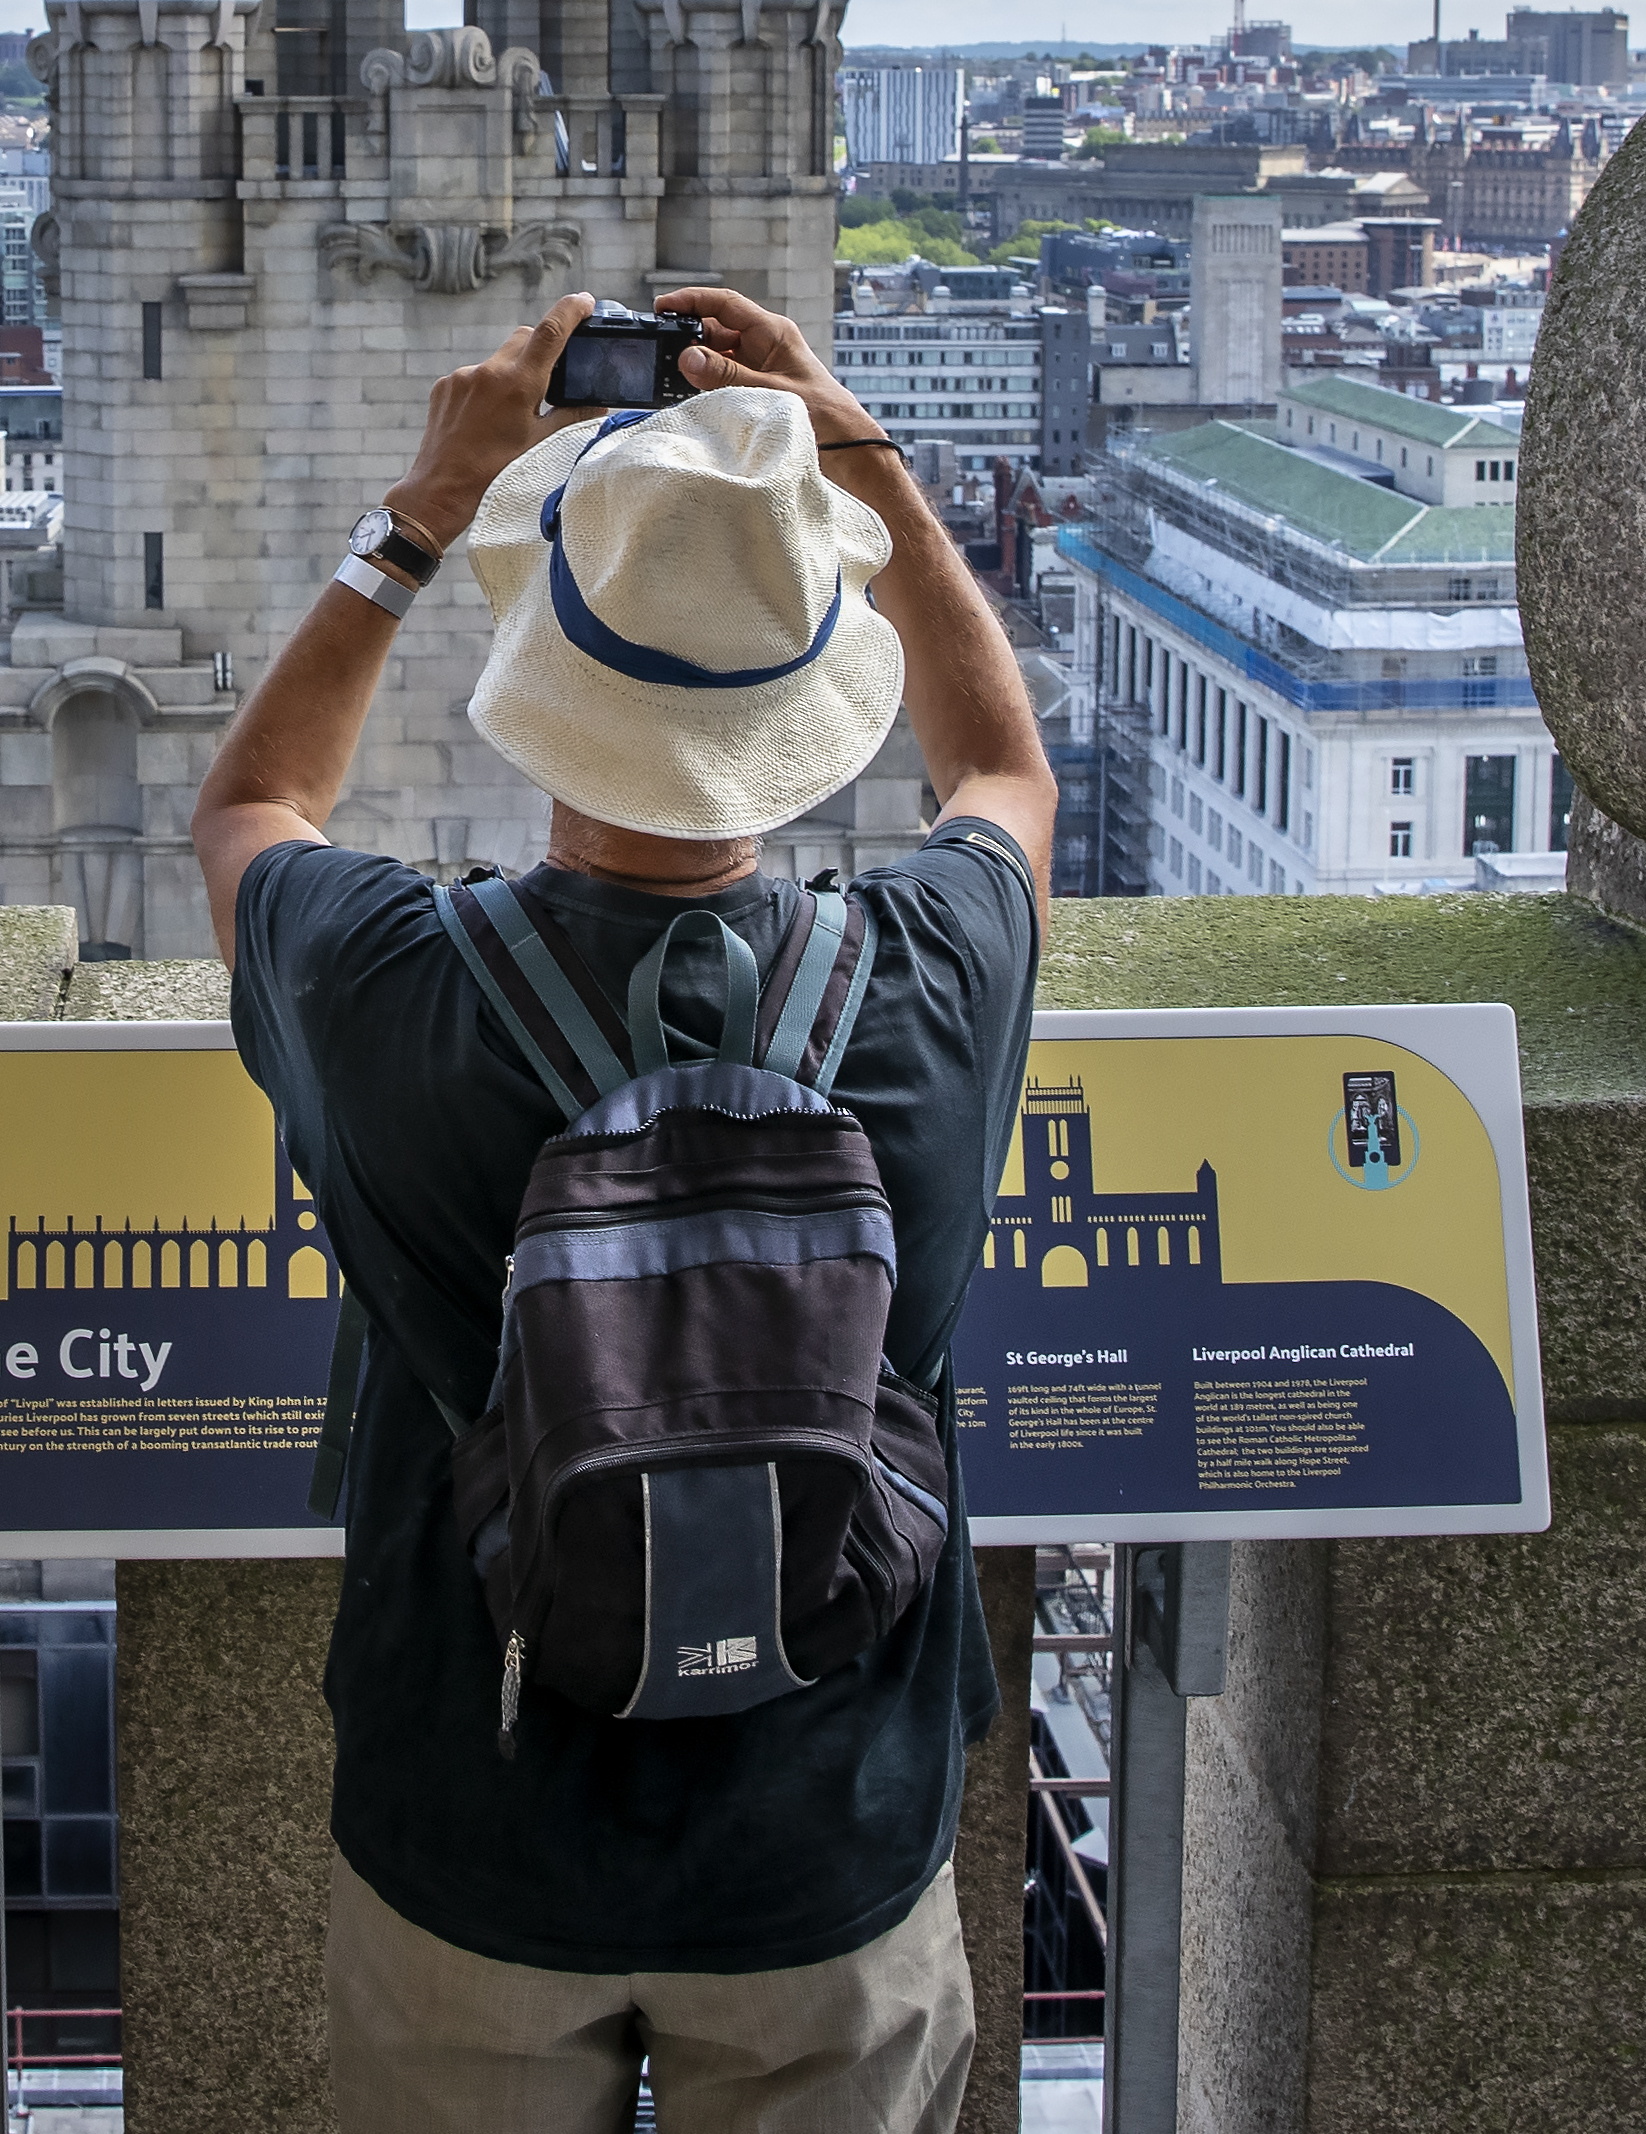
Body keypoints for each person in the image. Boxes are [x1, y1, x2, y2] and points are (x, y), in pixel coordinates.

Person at [195, 281, 1056, 2134]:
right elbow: (1003, 772)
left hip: (476, 1799)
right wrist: (861, 464)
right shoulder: (929, 977)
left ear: (542, 686)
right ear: (807, 692)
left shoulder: (387, 986)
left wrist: (420, 514)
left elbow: (256, 803)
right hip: (827, 1830)